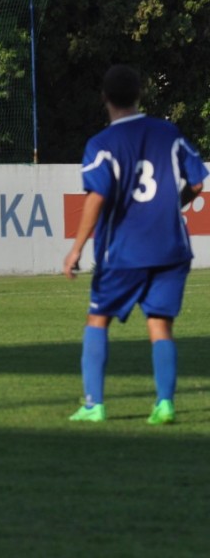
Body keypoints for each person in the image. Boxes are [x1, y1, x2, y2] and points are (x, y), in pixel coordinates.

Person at [63, 64, 207, 425]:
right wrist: (172, 205)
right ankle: (164, 404)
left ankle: (94, 405)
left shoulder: (102, 145)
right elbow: (198, 183)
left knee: (97, 319)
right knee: (160, 324)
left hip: (124, 251)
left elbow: (97, 196)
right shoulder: (168, 133)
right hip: (171, 248)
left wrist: (77, 248)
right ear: (140, 94)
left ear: (104, 98)